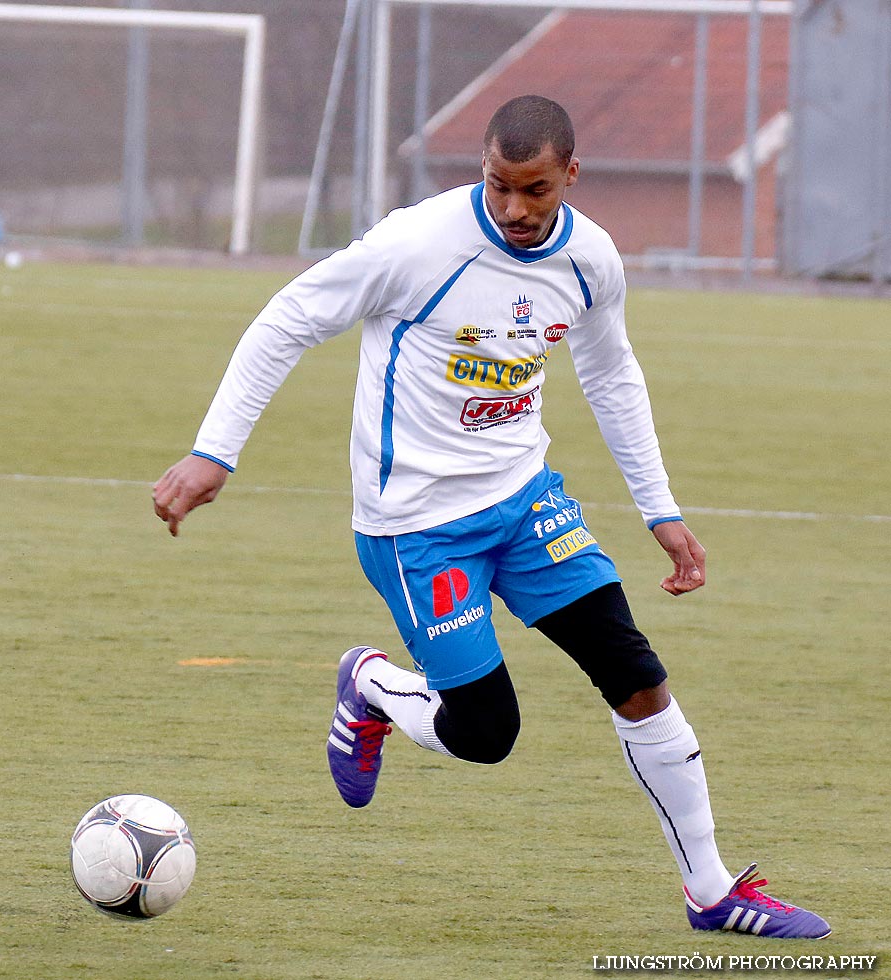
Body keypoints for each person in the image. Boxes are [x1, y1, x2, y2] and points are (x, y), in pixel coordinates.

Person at [152, 95, 829, 939]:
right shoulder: (416, 244)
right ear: (482, 168)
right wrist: (216, 449)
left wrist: (659, 507)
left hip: (525, 501)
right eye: (499, 186)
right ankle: (371, 685)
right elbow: (288, 319)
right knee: (486, 733)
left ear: (570, 177)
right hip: (416, 526)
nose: (514, 209)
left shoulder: (590, 258)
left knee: (637, 675)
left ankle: (712, 890)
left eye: (535, 190)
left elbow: (612, 376)